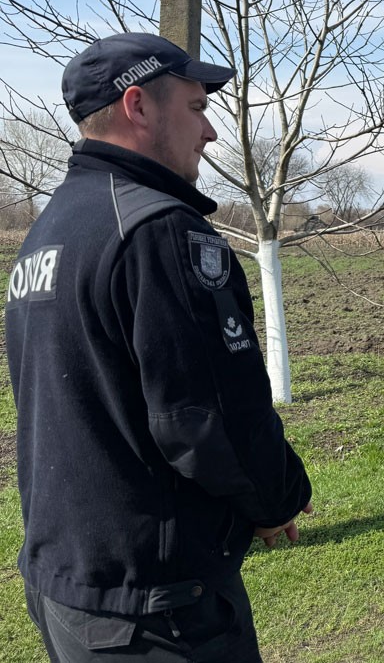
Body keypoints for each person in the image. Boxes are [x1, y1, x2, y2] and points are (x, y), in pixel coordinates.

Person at [6, 33, 313, 662]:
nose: (211, 135)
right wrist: (276, 497)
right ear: (138, 107)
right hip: (158, 609)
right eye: (198, 109)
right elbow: (204, 416)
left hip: (69, 582)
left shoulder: (49, 230)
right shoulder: (159, 233)